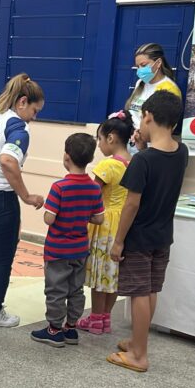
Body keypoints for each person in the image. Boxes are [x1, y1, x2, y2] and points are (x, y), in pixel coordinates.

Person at [108, 91, 188, 372]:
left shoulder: (143, 161)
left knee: (139, 292)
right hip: (163, 235)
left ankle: (139, 355)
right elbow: (159, 167)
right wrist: (144, 146)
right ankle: (137, 341)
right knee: (151, 288)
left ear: (148, 118)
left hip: (139, 236)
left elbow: (132, 203)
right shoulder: (181, 151)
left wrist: (118, 241)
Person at [0, 73, 45, 328]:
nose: (34, 118)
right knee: (2, 258)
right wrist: (26, 196)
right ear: (22, 102)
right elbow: (8, 161)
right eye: (35, 111)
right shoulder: (18, 126)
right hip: (1, 199)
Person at [30, 133, 104, 348]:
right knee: (76, 288)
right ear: (90, 158)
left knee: (56, 289)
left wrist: (50, 212)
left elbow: (49, 218)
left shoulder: (59, 187)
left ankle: (53, 329)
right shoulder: (93, 188)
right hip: (80, 249)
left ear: (66, 156)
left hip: (58, 250)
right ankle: (71, 328)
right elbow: (99, 218)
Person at [76, 110, 135, 334]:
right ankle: (106, 318)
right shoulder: (135, 162)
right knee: (113, 272)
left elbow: (91, 194)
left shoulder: (107, 166)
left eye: (99, 139)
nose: (99, 145)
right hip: (125, 221)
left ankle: (95, 318)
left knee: (99, 270)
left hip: (106, 221)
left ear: (111, 138)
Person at [125, 43, 182, 154]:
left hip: (151, 148)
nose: (139, 70)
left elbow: (166, 126)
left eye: (143, 65)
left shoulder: (169, 89)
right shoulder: (140, 83)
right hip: (132, 142)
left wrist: (143, 140)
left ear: (158, 63)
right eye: (137, 67)